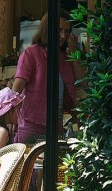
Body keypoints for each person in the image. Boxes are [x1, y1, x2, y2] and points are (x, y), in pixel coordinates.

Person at [12, 11, 78, 142]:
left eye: (67, 31)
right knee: (30, 162)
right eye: (59, 30)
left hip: (57, 124)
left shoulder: (66, 57)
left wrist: (75, 53)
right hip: (32, 124)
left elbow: (83, 82)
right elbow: (16, 90)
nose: (63, 36)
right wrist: (9, 119)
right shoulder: (31, 53)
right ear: (47, 29)